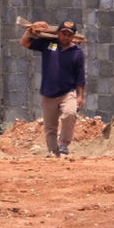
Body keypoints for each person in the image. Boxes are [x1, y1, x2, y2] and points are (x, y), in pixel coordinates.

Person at [20, 20, 86, 157]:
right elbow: (25, 43)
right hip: (48, 93)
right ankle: (53, 152)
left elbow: (80, 76)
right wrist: (29, 31)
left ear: (73, 36)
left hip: (67, 92)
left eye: (69, 34)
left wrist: (80, 96)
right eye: (63, 34)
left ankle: (64, 146)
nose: (66, 37)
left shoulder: (77, 52)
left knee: (70, 114)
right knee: (50, 127)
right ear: (57, 33)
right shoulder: (50, 45)